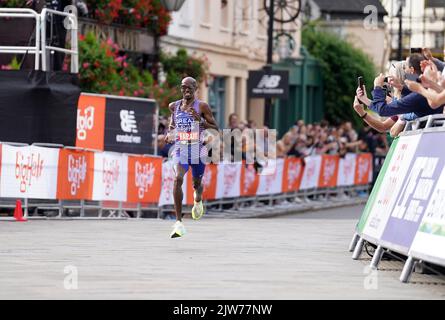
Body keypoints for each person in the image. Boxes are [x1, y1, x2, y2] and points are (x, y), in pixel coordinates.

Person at [165, 77, 218, 238]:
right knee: (178, 178)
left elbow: (215, 127)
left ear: (196, 88)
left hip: (198, 150)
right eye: (183, 87)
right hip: (180, 148)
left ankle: (198, 199)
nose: (186, 90)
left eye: (189, 87)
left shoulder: (202, 106)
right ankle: (179, 223)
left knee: (196, 184)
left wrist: (200, 119)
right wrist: (169, 133)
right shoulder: (174, 106)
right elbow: (173, 125)